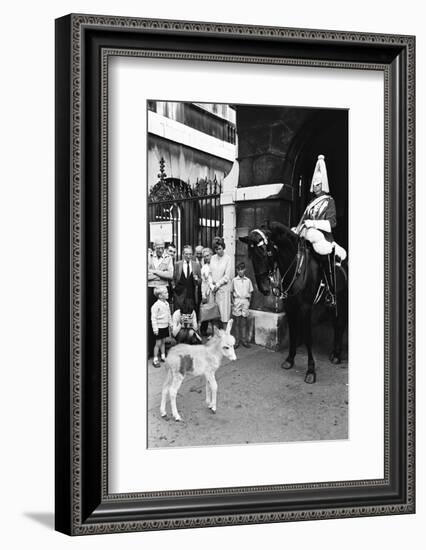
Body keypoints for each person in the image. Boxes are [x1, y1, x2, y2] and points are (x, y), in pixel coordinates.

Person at [293, 154, 339, 307]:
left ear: (323, 184)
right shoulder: (311, 203)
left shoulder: (329, 201)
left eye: (318, 185)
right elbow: (302, 220)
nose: (315, 188)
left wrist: (313, 223)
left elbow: (332, 223)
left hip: (324, 238)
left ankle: (330, 292)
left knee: (325, 258)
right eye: (314, 185)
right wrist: (296, 229)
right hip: (308, 236)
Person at [147, 239, 173, 357]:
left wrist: (154, 272)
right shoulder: (148, 256)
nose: (160, 250)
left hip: (162, 290)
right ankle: (150, 348)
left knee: (162, 317)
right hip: (150, 289)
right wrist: (161, 273)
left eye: (162, 247)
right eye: (158, 247)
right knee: (151, 318)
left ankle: (161, 348)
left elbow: (170, 275)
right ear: (154, 247)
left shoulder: (168, 257)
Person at [210, 236, 232, 329]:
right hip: (213, 290)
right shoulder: (213, 258)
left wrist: (217, 285)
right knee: (214, 314)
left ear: (223, 247)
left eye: (219, 248)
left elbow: (227, 276)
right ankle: (215, 336)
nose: (218, 251)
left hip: (223, 290)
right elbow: (210, 273)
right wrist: (211, 285)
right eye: (216, 249)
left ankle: (225, 338)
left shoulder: (228, 259)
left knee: (224, 315)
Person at [230, 262, 254, 348]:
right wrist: (233, 302)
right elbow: (231, 292)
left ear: (245, 270)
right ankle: (237, 341)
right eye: (238, 270)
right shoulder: (234, 280)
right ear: (236, 270)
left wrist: (248, 302)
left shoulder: (248, 280)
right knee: (237, 322)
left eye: (242, 269)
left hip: (245, 301)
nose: (240, 271)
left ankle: (244, 340)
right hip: (237, 301)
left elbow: (251, 292)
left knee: (244, 322)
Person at [173, 245, 201, 310]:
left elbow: (200, 280)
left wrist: (197, 279)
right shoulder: (177, 264)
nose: (188, 256)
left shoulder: (196, 265)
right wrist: (174, 288)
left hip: (191, 295)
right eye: (186, 254)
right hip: (179, 295)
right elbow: (174, 278)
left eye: (190, 254)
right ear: (183, 254)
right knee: (179, 314)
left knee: (190, 315)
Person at [150, 286, 173, 367]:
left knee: (163, 342)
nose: (168, 293)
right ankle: (155, 359)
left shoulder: (166, 304)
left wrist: (171, 323)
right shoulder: (156, 306)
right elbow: (153, 318)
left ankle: (163, 356)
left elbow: (169, 315)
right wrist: (155, 329)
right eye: (166, 293)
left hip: (165, 326)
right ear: (160, 296)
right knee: (158, 343)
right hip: (159, 328)